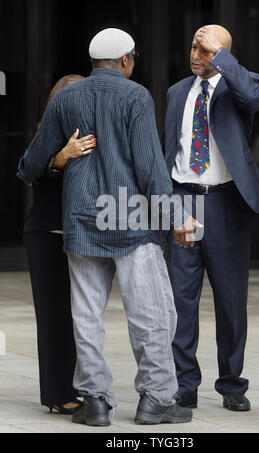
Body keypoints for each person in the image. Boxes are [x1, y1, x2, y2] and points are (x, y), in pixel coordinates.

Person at [17, 28, 198, 427]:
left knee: (85, 315)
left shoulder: (65, 98)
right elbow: (151, 170)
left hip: (80, 220)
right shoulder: (136, 96)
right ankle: (156, 399)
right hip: (130, 218)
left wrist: (60, 157)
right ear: (126, 59)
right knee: (150, 315)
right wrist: (177, 217)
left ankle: (95, 401)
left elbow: (29, 165)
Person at [163, 25, 259, 412]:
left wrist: (222, 58)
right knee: (181, 301)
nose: (197, 53)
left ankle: (231, 383)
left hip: (226, 205)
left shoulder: (241, 85)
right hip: (184, 202)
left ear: (224, 53)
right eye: (194, 45)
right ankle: (184, 384)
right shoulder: (177, 92)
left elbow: (254, 100)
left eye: (206, 48)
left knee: (230, 301)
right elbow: (169, 151)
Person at [22, 74, 97, 414]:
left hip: (83, 236)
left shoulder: (94, 133)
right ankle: (58, 394)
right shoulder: (46, 133)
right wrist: (62, 157)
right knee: (54, 318)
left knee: (81, 315)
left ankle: (79, 386)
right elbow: (31, 171)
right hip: (47, 235)